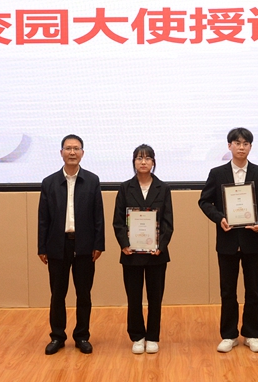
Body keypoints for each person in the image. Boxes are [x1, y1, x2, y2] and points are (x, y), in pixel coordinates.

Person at [198, 127, 258, 353]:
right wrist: (219, 218)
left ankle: (251, 334)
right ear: (229, 146)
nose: (241, 147)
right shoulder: (217, 173)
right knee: (228, 291)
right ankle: (229, 335)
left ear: (250, 147)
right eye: (237, 143)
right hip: (227, 241)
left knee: (253, 290)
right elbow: (204, 201)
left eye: (245, 144)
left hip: (253, 241)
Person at [38, 134, 105, 355]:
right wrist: (42, 247)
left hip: (85, 246)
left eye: (76, 148)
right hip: (57, 246)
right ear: (61, 153)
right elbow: (43, 218)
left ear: (82, 153)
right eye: (68, 148)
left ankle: (82, 336)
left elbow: (98, 216)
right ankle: (57, 336)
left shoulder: (92, 181)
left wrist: (99, 244)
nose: (72, 152)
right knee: (57, 294)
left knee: (84, 294)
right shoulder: (49, 182)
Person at [113, 144, 174, 355]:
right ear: (134, 162)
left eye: (147, 158)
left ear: (153, 162)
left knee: (155, 298)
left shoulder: (163, 188)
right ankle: (137, 336)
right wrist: (124, 244)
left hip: (157, 254)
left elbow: (168, 222)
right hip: (131, 254)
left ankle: (153, 337)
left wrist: (160, 246)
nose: (143, 162)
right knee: (134, 297)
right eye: (139, 158)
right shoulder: (125, 188)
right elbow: (118, 221)